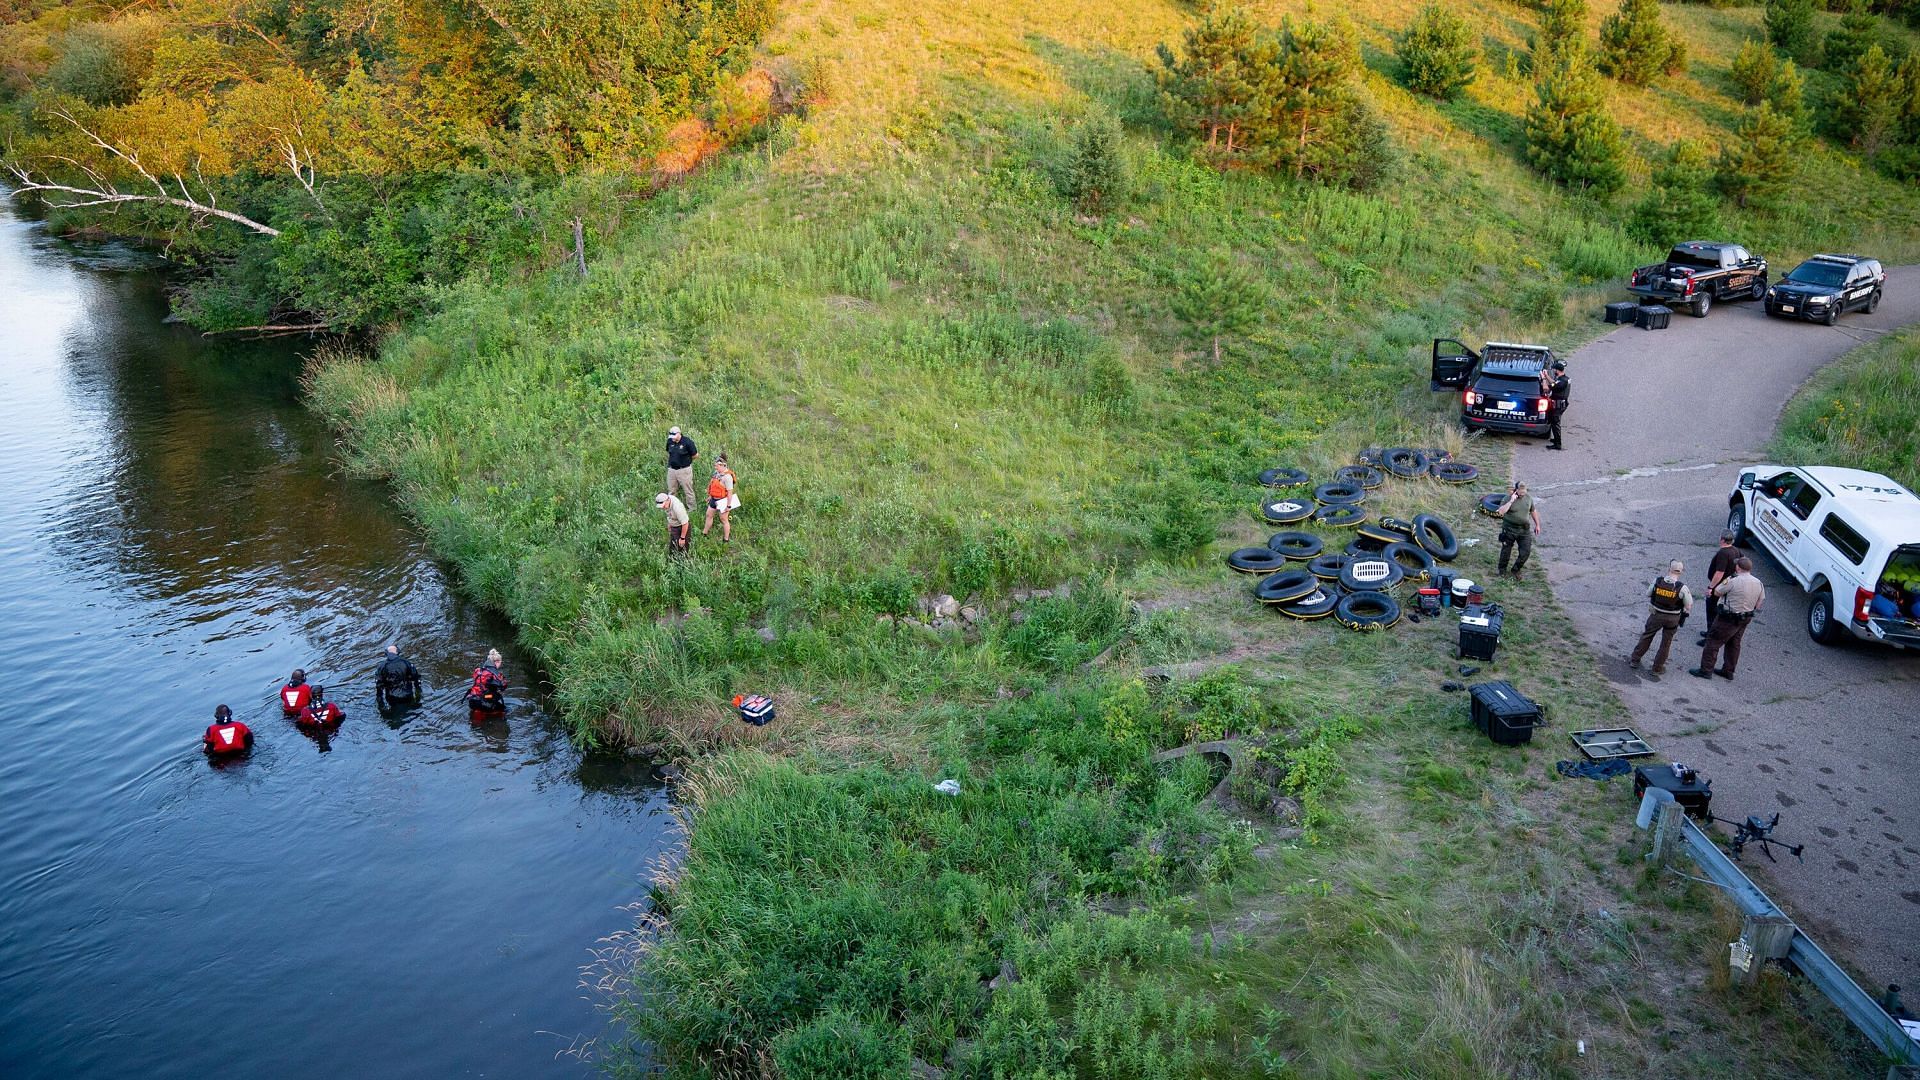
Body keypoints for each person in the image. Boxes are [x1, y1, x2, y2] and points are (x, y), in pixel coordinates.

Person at [1692, 556, 1764, 680]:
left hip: (1728, 618)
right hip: (1745, 617)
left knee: (1713, 642)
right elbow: (1759, 603)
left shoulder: (1733, 580)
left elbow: (1717, 592)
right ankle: (1728, 671)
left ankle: (1706, 670)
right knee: (1734, 644)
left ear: (1738, 568)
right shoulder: (1758, 583)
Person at [1628, 560, 1693, 677]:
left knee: (1647, 636)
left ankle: (1635, 660)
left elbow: (1648, 594)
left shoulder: (1658, 581)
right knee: (1666, 643)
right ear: (1681, 572)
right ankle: (1657, 668)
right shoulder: (1682, 588)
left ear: (1669, 569)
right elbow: (1688, 606)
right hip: (1673, 618)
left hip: (1656, 615)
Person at [1699, 531, 1740, 644]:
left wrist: (1711, 587)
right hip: (1728, 585)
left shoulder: (1723, 553)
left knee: (1712, 611)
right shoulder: (1736, 551)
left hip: (1719, 587)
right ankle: (1710, 633)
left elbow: (1719, 572)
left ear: (1722, 540)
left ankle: (1710, 637)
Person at [1495, 481, 1541, 576]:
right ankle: (1502, 570)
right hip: (1509, 529)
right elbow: (1501, 512)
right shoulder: (1507, 499)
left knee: (1526, 552)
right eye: (1521, 491)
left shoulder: (1528, 498)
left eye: (1524, 491)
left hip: (1524, 530)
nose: (1523, 493)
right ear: (1516, 490)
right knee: (1506, 551)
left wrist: (1537, 525)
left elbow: (1533, 511)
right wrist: (1511, 501)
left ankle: (1515, 570)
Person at [375, 644, 422, 710]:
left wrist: (381, 704)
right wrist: (418, 695)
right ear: (398, 652)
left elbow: (379, 687)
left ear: (386, 653)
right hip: (407, 695)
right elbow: (416, 679)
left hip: (391, 698)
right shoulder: (407, 663)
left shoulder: (381, 667)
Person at [702, 455, 737, 542]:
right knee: (709, 515)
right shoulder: (717, 474)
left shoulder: (727, 477)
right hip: (714, 499)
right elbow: (713, 486)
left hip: (723, 501)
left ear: (723, 465)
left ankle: (726, 539)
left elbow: (729, 492)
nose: (715, 467)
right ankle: (704, 533)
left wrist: (728, 505)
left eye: (717, 466)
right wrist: (710, 496)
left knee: (724, 519)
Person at [665, 425, 699, 509]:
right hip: (672, 470)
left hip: (684, 470)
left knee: (688, 490)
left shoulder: (687, 442)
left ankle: (692, 508)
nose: (672, 438)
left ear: (679, 434)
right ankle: (672, 508)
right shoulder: (670, 441)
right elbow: (668, 452)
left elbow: (695, 455)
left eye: (674, 436)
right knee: (671, 490)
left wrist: (685, 461)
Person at [467, 648, 508, 717]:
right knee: (503, 710)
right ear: (497, 662)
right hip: (484, 703)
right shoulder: (494, 674)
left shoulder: (478, 670)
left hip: (472, 700)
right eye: (500, 662)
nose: (500, 664)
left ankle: (477, 715)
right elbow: (503, 686)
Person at [1542, 360, 1570, 451]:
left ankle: (1558, 444)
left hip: (1558, 405)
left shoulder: (1561, 382)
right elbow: (1554, 383)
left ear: (1558, 370)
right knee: (1555, 422)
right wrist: (1547, 376)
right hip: (1561, 404)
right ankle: (1556, 439)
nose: (1554, 371)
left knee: (1555, 423)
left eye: (1554, 370)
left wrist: (1543, 379)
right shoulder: (1563, 379)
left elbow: (1546, 389)